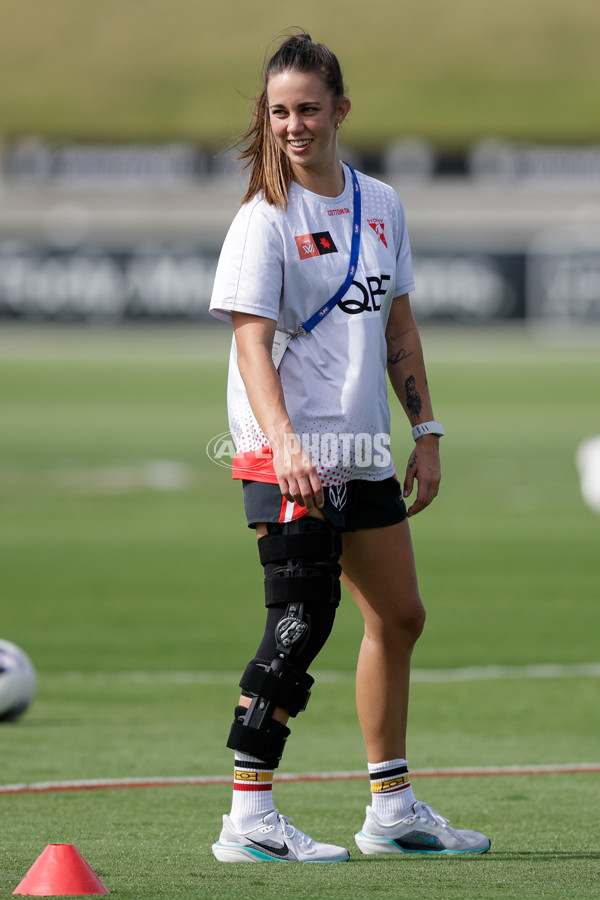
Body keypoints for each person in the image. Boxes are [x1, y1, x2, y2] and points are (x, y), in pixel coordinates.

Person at [209, 32, 491, 863]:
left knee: (398, 616)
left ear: (340, 110)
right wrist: (286, 444)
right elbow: (251, 347)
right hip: (288, 453)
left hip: (363, 446)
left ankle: (391, 808)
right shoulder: (263, 218)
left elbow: (398, 327)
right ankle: (247, 818)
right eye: (278, 111)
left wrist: (427, 431)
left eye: (306, 109)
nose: (292, 125)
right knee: (301, 616)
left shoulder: (382, 205)